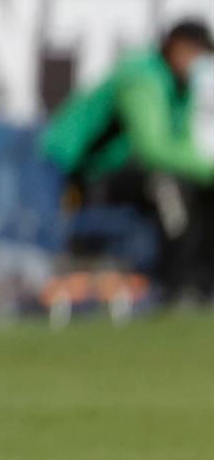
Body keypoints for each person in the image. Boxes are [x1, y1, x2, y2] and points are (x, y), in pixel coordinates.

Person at [41, 21, 214, 305]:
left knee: (200, 189)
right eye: (199, 54)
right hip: (78, 171)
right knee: (169, 186)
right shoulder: (141, 77)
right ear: (178, 49)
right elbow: (153, 150)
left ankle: (203, 284)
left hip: (121, 170)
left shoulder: (181, 86)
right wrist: (208, 169)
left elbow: (186, 145)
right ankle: (177, 284)